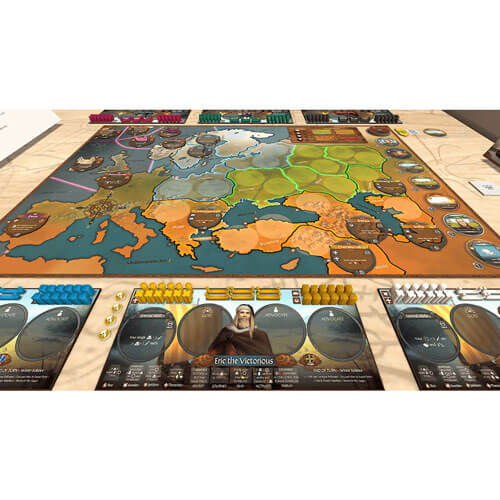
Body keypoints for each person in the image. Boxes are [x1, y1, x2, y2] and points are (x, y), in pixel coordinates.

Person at [208, 304, 273, 355]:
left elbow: (267, 354)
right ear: (237, 315)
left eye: (247, 313)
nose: (244, 315)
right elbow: (214, 348)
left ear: (250, 316)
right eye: (242, 312)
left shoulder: (260, 334)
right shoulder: (227, 331)